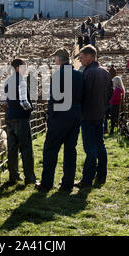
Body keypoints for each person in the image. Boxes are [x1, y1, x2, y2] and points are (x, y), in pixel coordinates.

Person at [35, 49, 84, 193]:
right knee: (70, 150)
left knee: (50, 150)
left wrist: (50, 117)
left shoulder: (58, 75)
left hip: (60, 117)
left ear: (59, 59)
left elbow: (54, 98)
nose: (54, 61)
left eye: (55, 58)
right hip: (75, 115)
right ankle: (67, 183)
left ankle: (46, 183)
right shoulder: (79, 75)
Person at [76, 46, 113, 188]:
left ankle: (87, 179)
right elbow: (110, 93)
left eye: (82, 56)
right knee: (100, 145)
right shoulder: (105, 72)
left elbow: (84, 95)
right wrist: (104, 106)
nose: (80, 59)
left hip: (88, 115)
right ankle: (101, 175)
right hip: (100, 113)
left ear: (90, 56)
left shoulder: (88, 73)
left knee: (90, 147)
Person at [4, 59, 36, 186]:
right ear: (17, 68)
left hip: (10, 117)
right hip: (21, 118)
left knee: (12, 148)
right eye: (24, 66)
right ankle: (30, 177)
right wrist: (31, 108)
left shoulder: (7, 81)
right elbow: (24, 103)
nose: (25, 69)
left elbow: (3, 101)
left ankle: (14, 176)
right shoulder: (21, 81)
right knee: (26, 148)